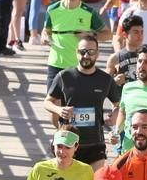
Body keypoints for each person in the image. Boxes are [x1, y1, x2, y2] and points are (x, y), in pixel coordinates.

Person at [44, 35, 122, 169]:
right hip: (68, 142)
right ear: (76, 53)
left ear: (97, 54)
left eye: (91, 52)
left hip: (95, 143)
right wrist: (59, 110)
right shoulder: (64, 76)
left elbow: (119, 105)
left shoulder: (105, 80)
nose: (86, 55)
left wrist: (115, 114)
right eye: (82, 51)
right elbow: (47, 102)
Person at [43, 0, 110, 89]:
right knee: (51, 103)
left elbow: (108, 34)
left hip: (79, 67)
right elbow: (46, 31)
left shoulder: (88, 12)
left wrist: (90, 35)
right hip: (55, 65)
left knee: (77, 106)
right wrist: (45, 37)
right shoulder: (52, 10)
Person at [107, 14, 143, 87]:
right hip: (122, 97)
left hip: (143, 97)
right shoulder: (115, 58)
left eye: (141, 32)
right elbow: (105, 86)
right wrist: (114, 82)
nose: (140, 35)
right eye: (136, 32)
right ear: (125, 35)